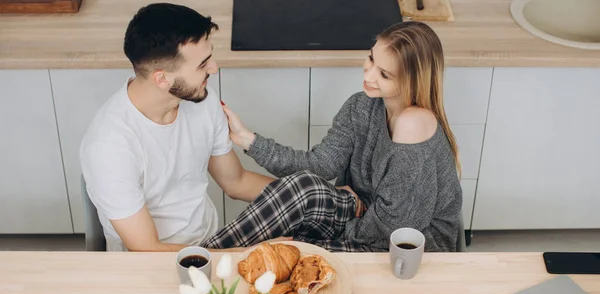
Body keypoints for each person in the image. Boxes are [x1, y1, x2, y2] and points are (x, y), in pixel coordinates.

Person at [201, 21, 463, 252]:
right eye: (371, 59)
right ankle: (206, 257)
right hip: (362, 215)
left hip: (406, 245)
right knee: (303, 187)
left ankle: (212, 262)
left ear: (412, 81)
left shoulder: (413, 124)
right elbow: (320, 165)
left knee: (289, 250)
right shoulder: (362, 106)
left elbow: (394, 227)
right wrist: (248, 139)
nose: (368, 75)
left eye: (384, 75)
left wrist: (304, 238)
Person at [80, 3, 274, 252]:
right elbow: (147, 248)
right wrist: (245, 255)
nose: (214, 68)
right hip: (152, 263)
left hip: (211, 243)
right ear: (162, 79)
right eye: (202, 64)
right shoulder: (109, 147)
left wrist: (309, 195)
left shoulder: (201, 101)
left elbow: (236, 182)